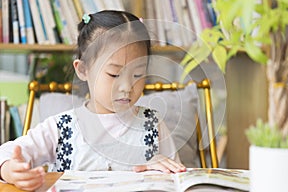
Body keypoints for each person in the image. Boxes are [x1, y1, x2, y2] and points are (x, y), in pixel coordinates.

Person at [0, 10, 186, 191]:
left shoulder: (152, 124)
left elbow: (180, 178)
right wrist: (10, 170)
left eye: (138, 74)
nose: (127, 86)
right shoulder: (61, 127)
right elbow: (6, 154)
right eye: (114, 74)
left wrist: (164, 171)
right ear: (83, 70)